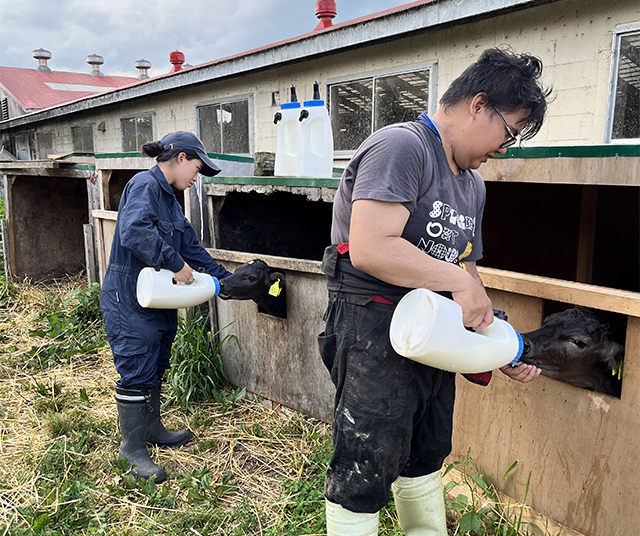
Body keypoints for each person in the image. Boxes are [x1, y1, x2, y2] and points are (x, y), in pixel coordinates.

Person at [318, 47, 551, 535]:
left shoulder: (472, 185)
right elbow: (370, 247)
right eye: (509, 132)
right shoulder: (403, 147)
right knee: (366, 459)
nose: (504, 149)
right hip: (373, 323)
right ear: (477, 104)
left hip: (433, 331)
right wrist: (457, 282)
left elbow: (463, 262)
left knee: (425, 451)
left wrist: (491, 340)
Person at [100, 131, 231, 483]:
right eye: (197, 169)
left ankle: (152, 427)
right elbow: (133, 230)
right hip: (129, 294)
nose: (196, 179)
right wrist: (175, 265)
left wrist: (226, 279)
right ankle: (131, 449)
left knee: (157, 361)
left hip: (158, 296)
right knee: (136, 367)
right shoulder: (144, 185)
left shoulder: (172, 201)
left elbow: (191, 246)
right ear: (181, 158)